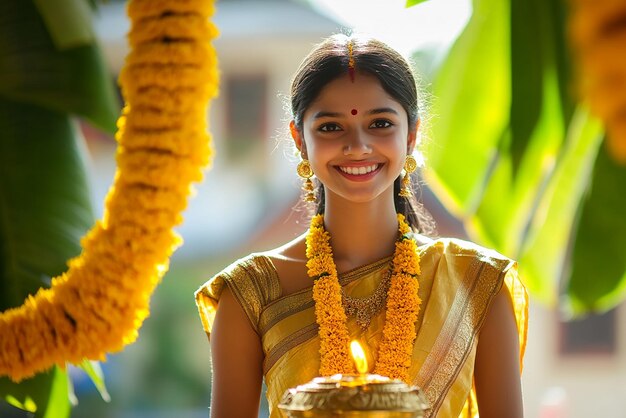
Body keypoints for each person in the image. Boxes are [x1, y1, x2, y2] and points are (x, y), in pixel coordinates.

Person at [195, 34, 528, 418]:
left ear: (413, 135)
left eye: (380, 123)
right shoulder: (250, 293)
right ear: (299, 140)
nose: (357, 146)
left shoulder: (476, 282)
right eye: (331, 128)